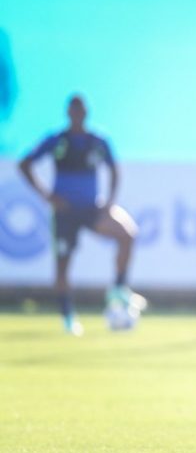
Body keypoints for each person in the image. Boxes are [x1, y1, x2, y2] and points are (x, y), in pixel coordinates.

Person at [18, 95, 144, 335]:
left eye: (82, 110)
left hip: (91, 208)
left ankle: (118, 288)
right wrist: (47, 196)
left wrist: (109, 201)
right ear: (68, 113)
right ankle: (67, 317)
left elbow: (114, 169)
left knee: (127, 233)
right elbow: (25, 164)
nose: (78, 114)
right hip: (65, 212)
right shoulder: (57, 141)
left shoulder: (98, 141)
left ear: (87, 113)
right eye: (74, 110)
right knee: (63, 266)